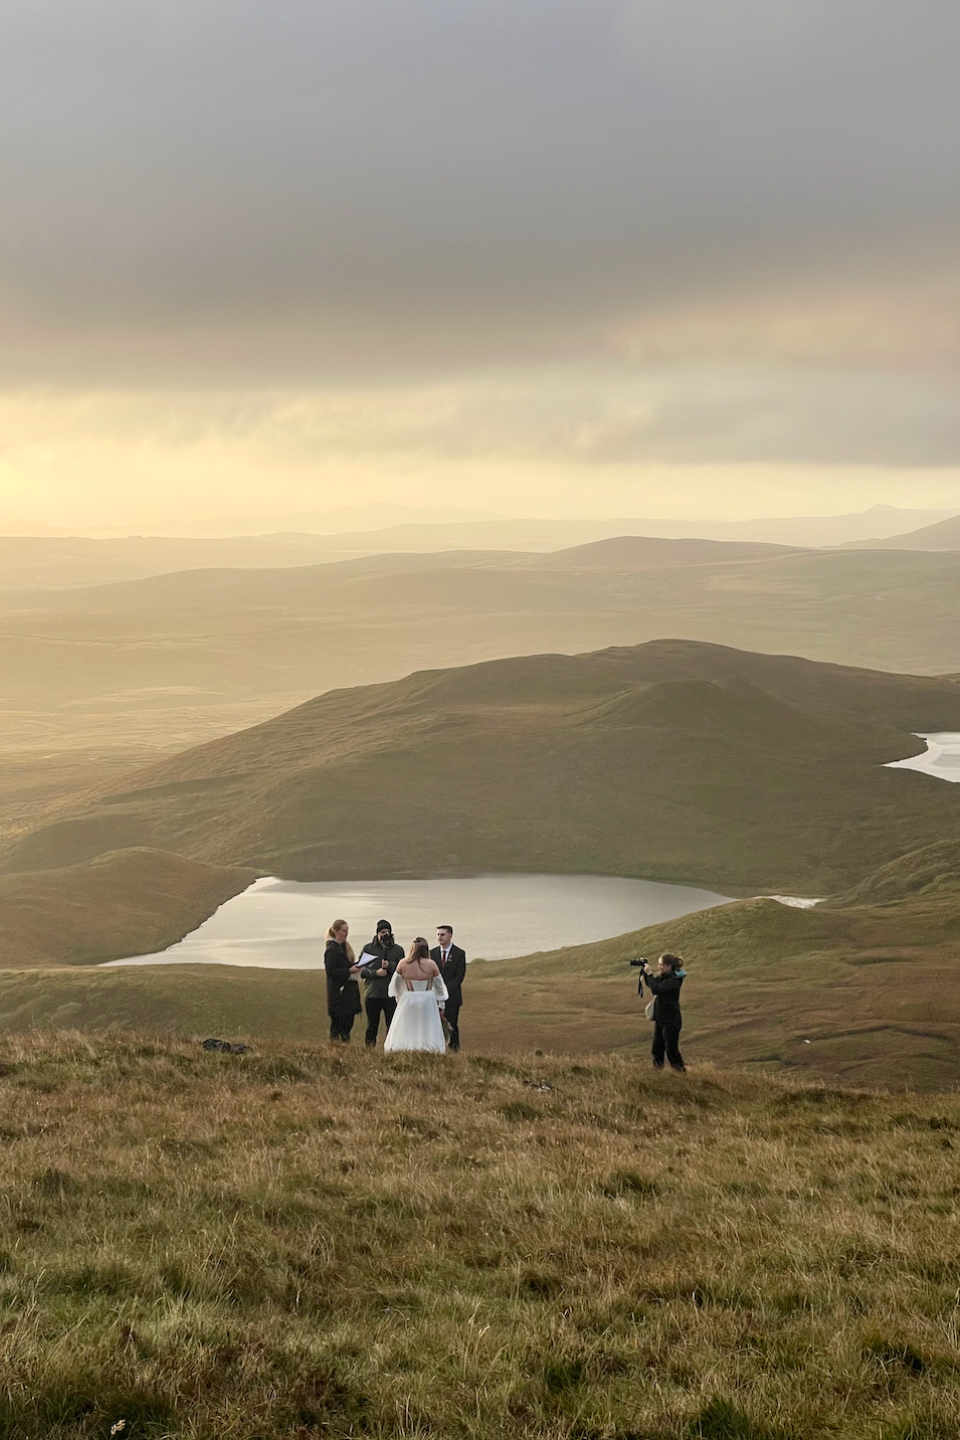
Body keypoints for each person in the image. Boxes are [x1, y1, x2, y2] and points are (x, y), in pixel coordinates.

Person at [384, 937, 448, 1053]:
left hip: (409, 998)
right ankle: (428, 1048)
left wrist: (400, 999)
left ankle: (408, 1048)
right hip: (427, 998)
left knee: (409, 1025)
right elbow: (439, 987)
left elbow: (395, 985)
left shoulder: (403, 963)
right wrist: (442, 1005)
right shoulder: (431, 964)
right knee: (427, 1025)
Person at [358, 918, 404, 1047]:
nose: (385, 934)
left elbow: (403, 970)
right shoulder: (369, 949)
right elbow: (361, 971)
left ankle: (392, 1050)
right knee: (372, 1026)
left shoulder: (398, 950)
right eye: (382, 932)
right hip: (373, 994)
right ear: (377, 933)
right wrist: (375, 973)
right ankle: (369, 1052)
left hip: (391, 995)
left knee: (392, 1025)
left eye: (387, 932)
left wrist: (390, 966)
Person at [641, 953, 686, 1071]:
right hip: (661, 1020)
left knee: (671, 1050)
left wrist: (650, 974)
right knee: (656, 1050)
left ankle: (680, 1074)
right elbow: (653, 984)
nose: (658, 966)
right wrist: (646, 974)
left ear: (668, 966)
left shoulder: (674, 980)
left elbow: (656, 989)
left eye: (661, 964)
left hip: (671, 1021)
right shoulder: (665, 977)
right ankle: (658, 1074)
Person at [324, 919, 362, 1043]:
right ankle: (334, 1054)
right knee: (337, 1029)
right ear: (335, 931)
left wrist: (357, 966)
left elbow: (345, 966)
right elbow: (331, 971)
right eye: (343, 931)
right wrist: (349, 971)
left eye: (347, 931)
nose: (346, 933)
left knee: (346, 1028)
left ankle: (345, 1054)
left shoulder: (343, 948)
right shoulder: (332, 950)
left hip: (347, 994)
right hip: (339, 996)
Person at [431, 924, 466, 1052]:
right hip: (434, 998)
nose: (440, 937)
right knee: (435, 1026)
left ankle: (454, 1051)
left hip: (452, 997)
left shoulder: (459, 953)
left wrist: (444, 990)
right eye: (438, 935)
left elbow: (459, 977)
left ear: (450, 935)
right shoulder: (432, 953)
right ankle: (437, 1050)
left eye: (442, 934)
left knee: (452, 1026)